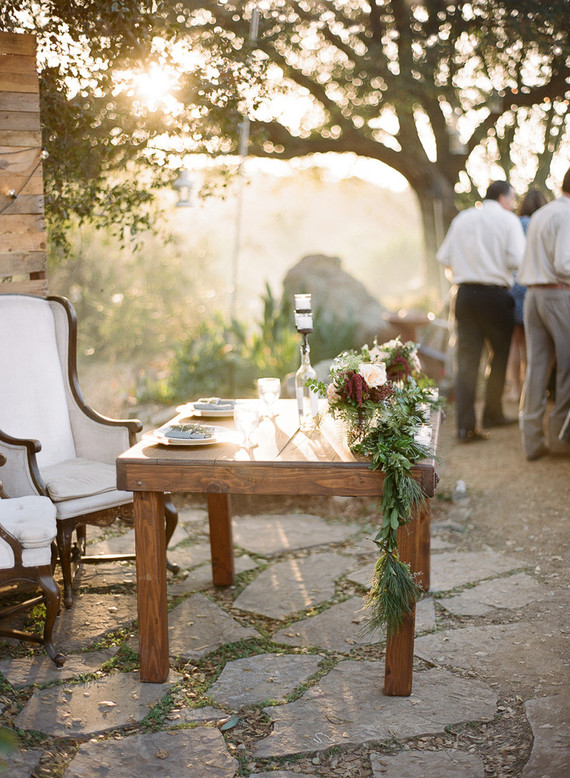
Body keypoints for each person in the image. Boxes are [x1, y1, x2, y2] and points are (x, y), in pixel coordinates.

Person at [437, 180, 526, 442]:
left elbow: (444, 257)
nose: (512, 203)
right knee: (498, 356)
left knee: (467, 361)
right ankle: (493, 413)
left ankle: (465, 427)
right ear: (502, 198)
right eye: (512, 198)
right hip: (495, 296)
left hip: (464, 295)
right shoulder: (508, 220)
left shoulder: (463, 218)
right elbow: (517, 261)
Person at [518, 166, 570, 461]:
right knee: (567, 368)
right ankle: (561, 438)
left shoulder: (541, 213)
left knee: (537, 369)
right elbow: (564, 264)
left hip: (533, 296)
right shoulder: (566, 215)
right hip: (558, 294)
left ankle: (532, 441)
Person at [505, 188, 548, 403]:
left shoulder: (515, 223)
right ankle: (531, 390)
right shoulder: (542, 223)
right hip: (534, 286)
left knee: (515, 341)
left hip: (514, 285)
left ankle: (515, 389)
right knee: (532, 343)